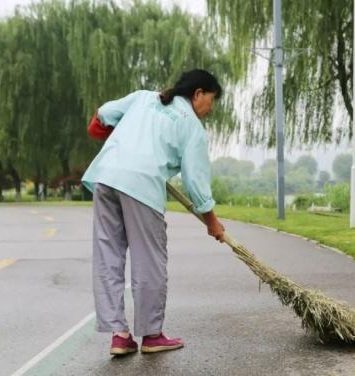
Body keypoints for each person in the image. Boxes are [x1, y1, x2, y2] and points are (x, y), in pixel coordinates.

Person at [82, 69, 225, 356]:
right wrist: (212, 222)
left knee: (108, 256)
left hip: (107, 177)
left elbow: (101, 117)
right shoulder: (192, 126)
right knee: (149, 260)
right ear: (198, 94)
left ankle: (119, 335)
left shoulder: (143, 98)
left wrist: (111, 133)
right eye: (212, 100)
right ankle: (151, 335)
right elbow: (195, 181)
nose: (210, 109)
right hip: (141, 185)